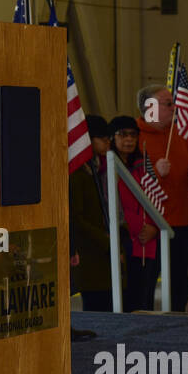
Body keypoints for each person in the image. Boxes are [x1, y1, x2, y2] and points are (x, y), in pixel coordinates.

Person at [135, 85, 188, 311]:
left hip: (181, 219)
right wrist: (155, 171)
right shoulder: (135, 135)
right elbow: (126, 176)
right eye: (168, 104)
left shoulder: (181, 133)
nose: (174, 107)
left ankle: (179, 321)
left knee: (179, 280)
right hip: (151, 223)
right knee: (146, 282)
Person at [110, 115, 159, 312]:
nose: (129, 139)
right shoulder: (107, 167)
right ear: (112, 138)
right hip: (125, 239)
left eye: (133, 135)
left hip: (149, 238)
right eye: (123, 134)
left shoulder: (142, 164)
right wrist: (138, 228)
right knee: (129, 299)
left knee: (146, 297)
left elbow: (155, 198)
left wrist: (154, 227)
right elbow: (113, 206)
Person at [69, 114, 115, 316]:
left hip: (100, 248)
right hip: (88, 250)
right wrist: (104, 239)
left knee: (105, 302)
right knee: (95, 308)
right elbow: (76, 217)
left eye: (108, 139)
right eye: (102, 138)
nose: (107, 143)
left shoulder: (95, 168)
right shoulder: (77, 173)